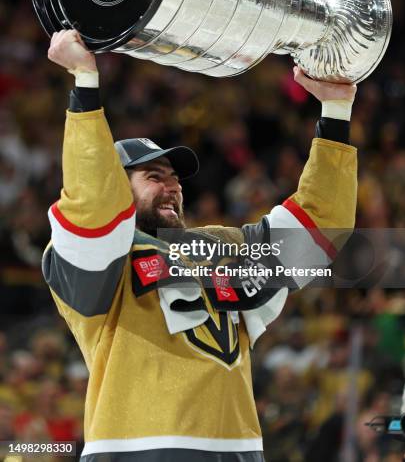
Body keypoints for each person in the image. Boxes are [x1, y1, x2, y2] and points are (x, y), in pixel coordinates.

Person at [43, 29, 357, 462]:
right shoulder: (96, 261)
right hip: (138, 453)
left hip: (239, 451)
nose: (172, 186)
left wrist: (336, 109)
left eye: (174, 177)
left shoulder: (221, 246)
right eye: (154, 177)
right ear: (118, 187)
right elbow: (93, 208)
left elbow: (319, 231)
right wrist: (84, 81)